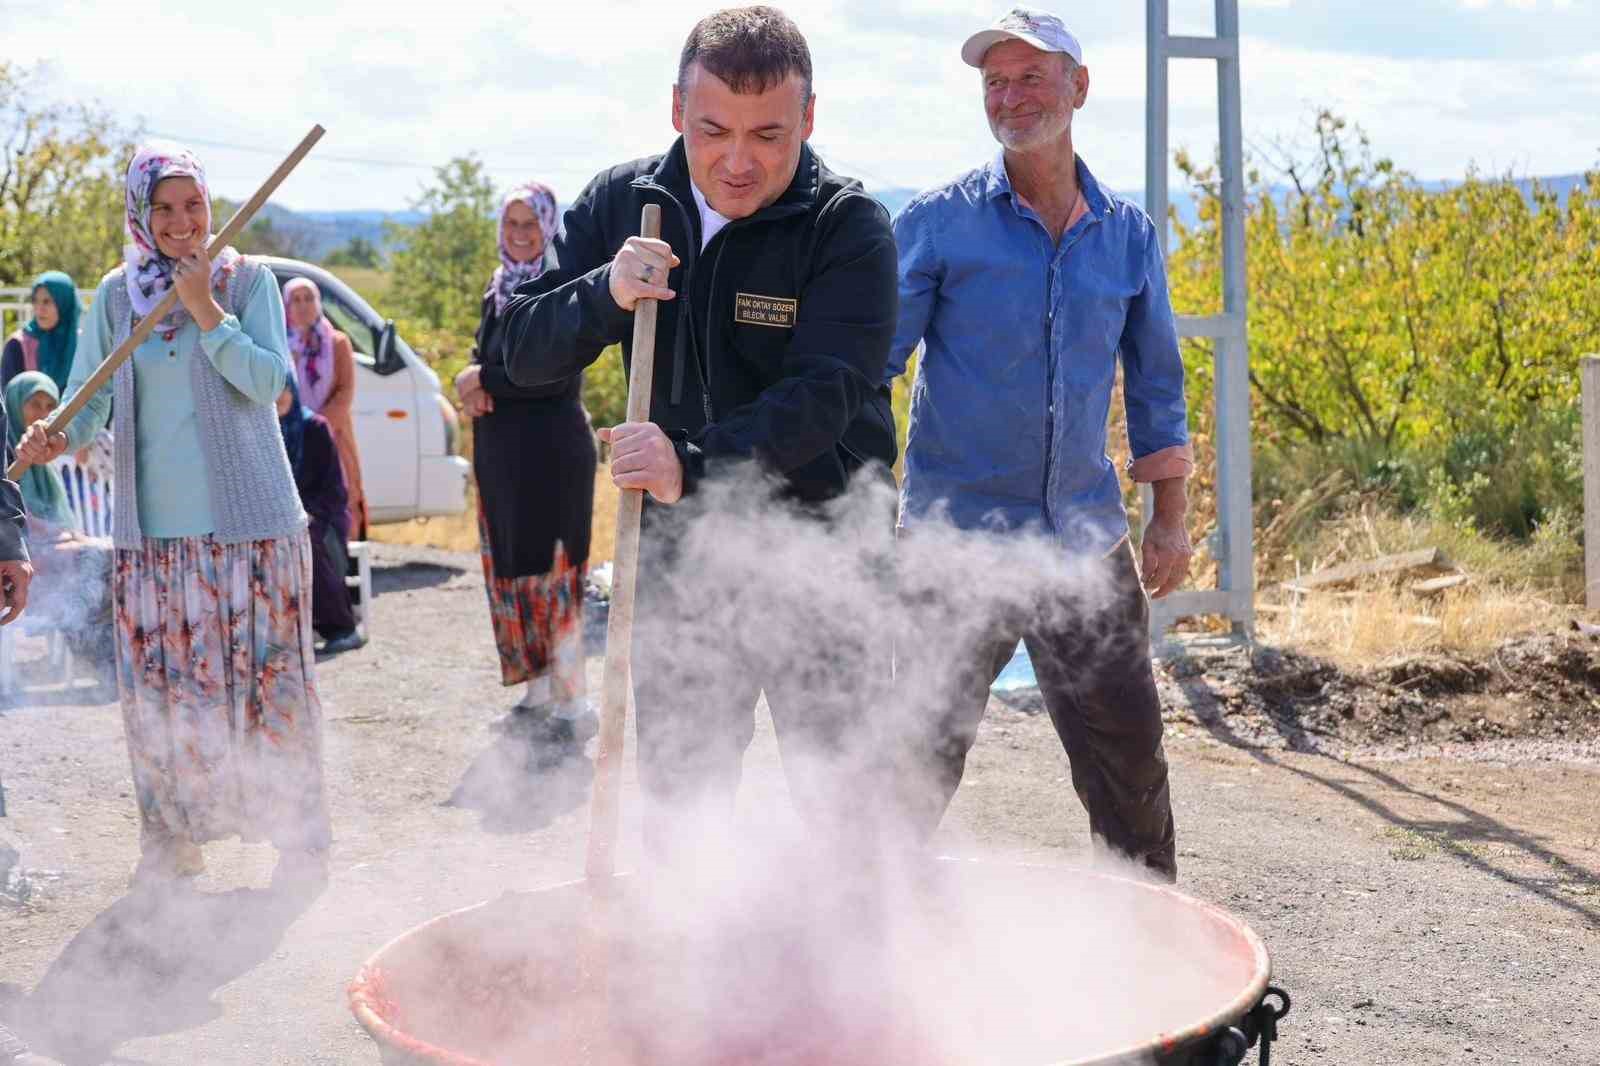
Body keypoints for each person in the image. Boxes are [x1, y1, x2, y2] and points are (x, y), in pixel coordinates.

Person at [497, 5, 898, 830]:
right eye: (714, 131)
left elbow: (825, 395)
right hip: (680, 565)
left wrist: (692, 464)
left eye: (769, 135)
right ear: (678, 109)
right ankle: (686, 917)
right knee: (682, 808)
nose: (738, 162)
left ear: (808, 119)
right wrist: (604, 292)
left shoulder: (846, 226)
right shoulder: (625, 203)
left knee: (845, 810)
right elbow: (519, 355)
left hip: (824, 555)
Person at [886, 8, 1191, 881]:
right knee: (917, 755)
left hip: (1084, 539)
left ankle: (1146, 933)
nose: (1010, 97)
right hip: (957, 540)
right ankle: (858, 929)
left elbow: (1158, 385)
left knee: (1128, 759)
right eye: (995, 83)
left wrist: (1170, 516)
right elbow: (872, 369)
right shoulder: (938, 223)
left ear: (1078, 88)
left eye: (1030, 78)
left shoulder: (1127, 235)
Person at [17, 139, 329, 882]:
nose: (182, 221)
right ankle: (173, 841)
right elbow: (89, 405)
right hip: (152, 540)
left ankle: (297, 837)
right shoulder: (116, 295)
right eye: (163, 207)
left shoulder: (246, 282)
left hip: (250, 532)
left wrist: (207, 312)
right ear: (140, 213)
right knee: (163, 696)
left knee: (266, 687)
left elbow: (270, 385)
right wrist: (55, 433)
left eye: (193, 204)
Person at [455, 182, 597, 751]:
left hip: (551, 457)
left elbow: (552, 373)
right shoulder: (499, 289)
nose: (519, 235)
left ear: (548, 227)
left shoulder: (560, 289)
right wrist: (474, 380)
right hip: (502, 457)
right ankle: (537, 694)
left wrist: (481, 380)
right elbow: (484, 355)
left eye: (530, 224)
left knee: (554, 577)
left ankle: (573, 704)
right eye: (511, 223)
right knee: (514, 573)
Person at [4, 371, 115, 669]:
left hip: (52, 547)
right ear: (14, 405)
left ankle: (100, 657)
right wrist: (63, 536)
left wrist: (71, 536)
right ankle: (98, 659)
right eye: (34, 404)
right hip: (19, 557)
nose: (42, 413)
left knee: (109, 559)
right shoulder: (7, 456)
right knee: (94, 561)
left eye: (50, 405)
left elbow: (58, 519)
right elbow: (18, 521)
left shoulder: (44, 460)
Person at [278, 372, 363, 654]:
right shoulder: (266, 433)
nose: (278, 399)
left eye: (283, 391)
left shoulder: (314, 427)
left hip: (323, 515)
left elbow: (334, 490)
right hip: (282, 517)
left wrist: (307, 513)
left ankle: (340, 627)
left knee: (308, 541)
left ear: (293, 391)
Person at [283, 277, 368, 539]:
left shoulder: (337, 343)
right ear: (286, 306)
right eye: (296, 300)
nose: (303, 305)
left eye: (309, 298)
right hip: (291, 436)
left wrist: (316, 426)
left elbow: (345, 391)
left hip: (332, 434)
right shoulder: (280, 344)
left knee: (339, 499)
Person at [3, 271, 80, 394]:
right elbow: (9, 397)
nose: (39, 309)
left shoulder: (82, 343)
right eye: (35, 301)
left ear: (65, 304)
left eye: (47, 301)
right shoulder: (17, 344)